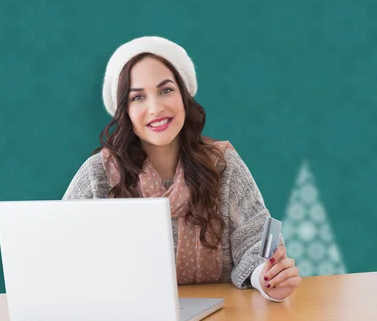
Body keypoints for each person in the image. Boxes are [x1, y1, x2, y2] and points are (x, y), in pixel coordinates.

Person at [63, 36, 301, 302]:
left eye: (166, 90)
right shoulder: (99, 174)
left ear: (184, 95)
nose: (155, 108)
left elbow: (254, 238)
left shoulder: (223, 163)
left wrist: (267, 277)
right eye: (138, 97)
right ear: (125, 111)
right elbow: (63, 251)